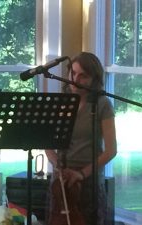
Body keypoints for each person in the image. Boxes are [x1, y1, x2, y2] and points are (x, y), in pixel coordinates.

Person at [45, 52, 117, 225]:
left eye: (83, 76)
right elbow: (47, 145)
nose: (76, 79)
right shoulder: (61, 103)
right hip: (61, 181)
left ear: (94, 79)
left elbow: (111, 151)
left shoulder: (102, 105)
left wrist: (81, 174)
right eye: (73, 73)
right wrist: (59, 167)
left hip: (89, 179)